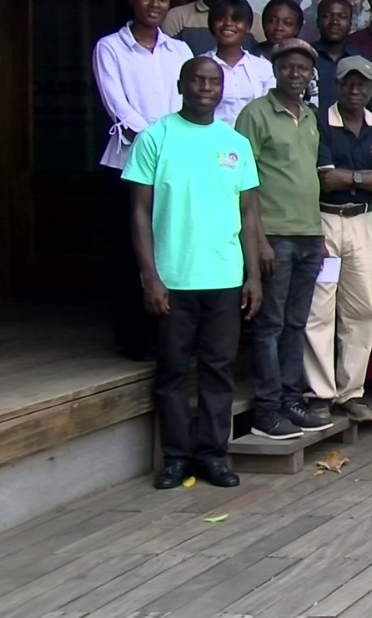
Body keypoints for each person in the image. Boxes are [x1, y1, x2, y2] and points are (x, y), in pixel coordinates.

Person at [125, 57, 261, 490]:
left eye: (213, 81)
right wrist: (150, 277)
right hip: (173, 279)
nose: (205, 87)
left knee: (219, 371)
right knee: (172, 372)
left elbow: (249, 212)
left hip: (224, 278)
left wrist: (253, 275)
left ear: (222, 89)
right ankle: (175, 459)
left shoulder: (235, 143)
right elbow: (139, 211)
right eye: (197, 80)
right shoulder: (155, 137)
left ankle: (212, 456)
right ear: (181, 85)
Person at [93, 0, 193, 359]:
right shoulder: (110, 47)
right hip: (128, 160)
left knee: (169, 246)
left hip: (174, 162)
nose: (155, 5)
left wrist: (171, 143)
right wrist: (158, 140)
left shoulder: (179, 51)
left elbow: (184, 102)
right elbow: (116, 103)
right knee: (129, 248)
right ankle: (132, 338)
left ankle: (168, 333)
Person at [235, 38, 328, 441]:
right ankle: (267, 410)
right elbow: (245, 184)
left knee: (296, 324)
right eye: (288, 67)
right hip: (274, 234)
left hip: (308, 234)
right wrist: (258, 242)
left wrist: (319, 233)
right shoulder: (255, 114)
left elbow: (309, 179)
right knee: (270, 325)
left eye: (303, 69)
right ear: (275, 71)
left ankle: (292, 400)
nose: (296, 74)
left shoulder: (308, 116)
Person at [305, 55, 372, 424]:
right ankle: (319, 393)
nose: (355, 89)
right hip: (326, 220)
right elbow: (326, 178)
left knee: (361, 310)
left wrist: (351, 178)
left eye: (362, 84)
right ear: (338, 85)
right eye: (348, 82)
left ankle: (351, 391)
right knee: (320, 310)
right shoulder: (321, 125)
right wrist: (365, 177)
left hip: (362, 223)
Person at [204, 0, 274, 125]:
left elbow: (269, 113)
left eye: (236, 19)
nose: (228, 24)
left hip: (252, 141)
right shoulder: (200, 65)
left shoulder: (263, 67)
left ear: (248, 27)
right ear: (211, 24)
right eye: (220, 18)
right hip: (211, 141)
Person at [313, 0, 372, 111]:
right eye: (327, 16)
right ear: (318, 22)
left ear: (350, 23)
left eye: (342, 17)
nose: (334, 22)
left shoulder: (365, 60)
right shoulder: (306, 57)